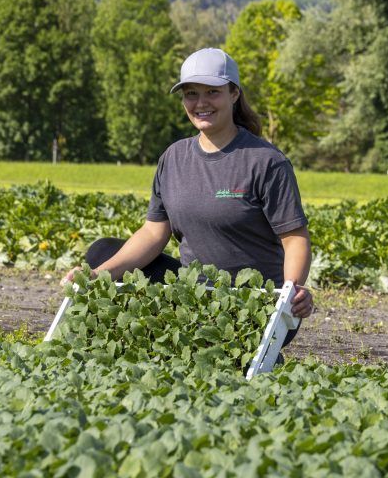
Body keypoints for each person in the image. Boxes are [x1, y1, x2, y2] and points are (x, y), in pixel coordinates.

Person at [62, 48, 314, 339]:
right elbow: (154, 234)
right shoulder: (174, 157)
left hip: (253, 303)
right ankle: (106, 341)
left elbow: (295, 239)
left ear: (234, 94)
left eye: (212, 92)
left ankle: (250, 346)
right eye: (191, 94)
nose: (201, 103)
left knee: (230, 347)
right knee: (102, 252)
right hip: (190, 295)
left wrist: (290, 291)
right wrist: (97, 276)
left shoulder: (266, 161)